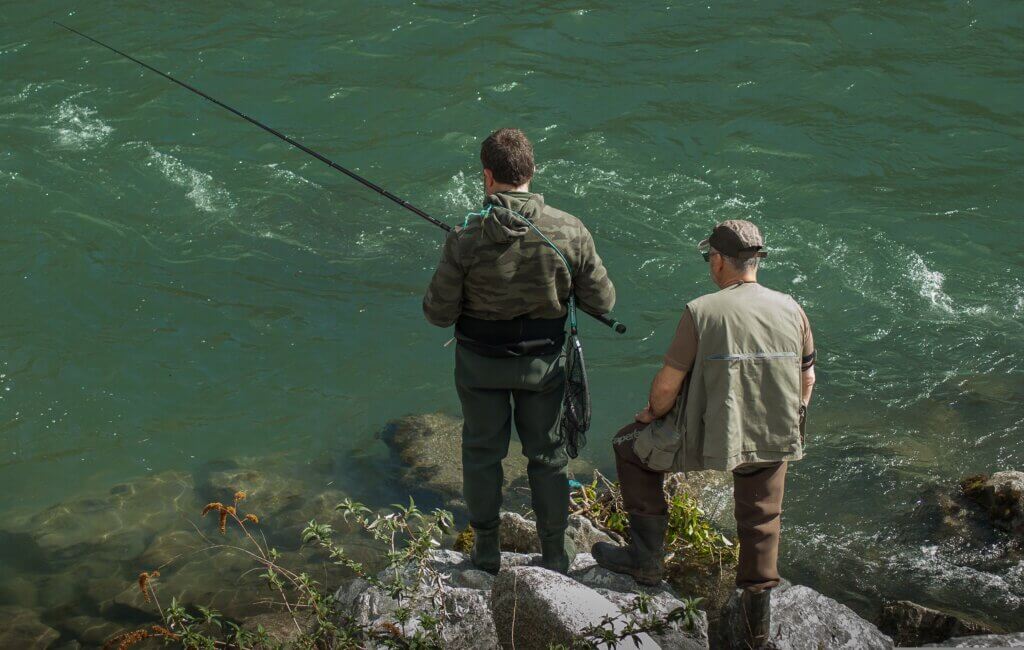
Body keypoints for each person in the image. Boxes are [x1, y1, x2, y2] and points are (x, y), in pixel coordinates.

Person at [591, 220, 815, 648]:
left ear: (717, 260)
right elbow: (807, 379)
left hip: (707, 436)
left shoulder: (701, 311)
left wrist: (651, 414)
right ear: (755, 261)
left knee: (628, 447)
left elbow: (667, 387)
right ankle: (756, 624)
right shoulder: (792, 308)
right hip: (772, 433)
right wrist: (789, 418)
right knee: (762, 517)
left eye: (708, 257)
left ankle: (646, 562)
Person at [423, 128, 616, 574]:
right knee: (548, 458)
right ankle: (554, 555)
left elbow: (437, 312)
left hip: (479, 365)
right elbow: (602, 302)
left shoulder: (465, 236)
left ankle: (486, 552)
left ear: (488, 176)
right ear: (532, 172)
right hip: (544, 366)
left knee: (481, 454)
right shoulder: (570, 230)